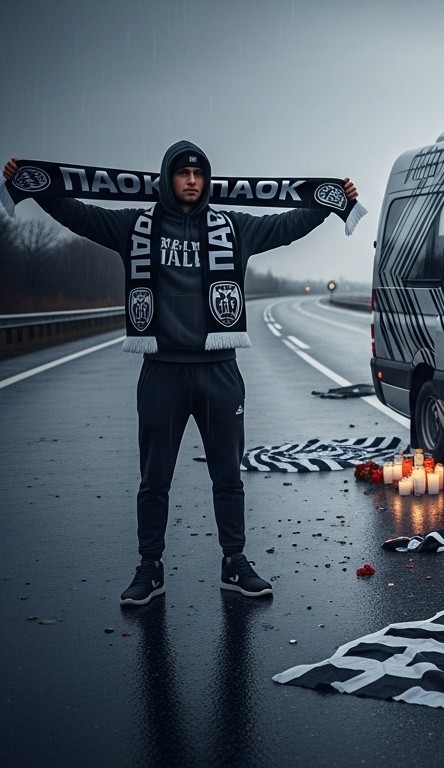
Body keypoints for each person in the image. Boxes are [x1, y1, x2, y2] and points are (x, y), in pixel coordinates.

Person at [4, 142, 357, 605]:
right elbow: (82, 216)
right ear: (168, 179)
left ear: (206, 180)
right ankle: (150, 568)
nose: (191, 180)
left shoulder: (232, 228)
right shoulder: (136, 227)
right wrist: (38, 185)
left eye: (198, 173)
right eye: (183, 173)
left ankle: (235, 563)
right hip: (162, 372)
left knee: (228, 476)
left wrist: (329, 202)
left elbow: (286, 225)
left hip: (219, 371)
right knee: (154, 480)